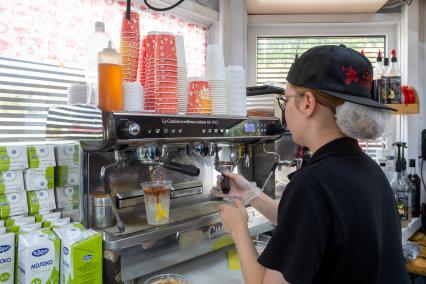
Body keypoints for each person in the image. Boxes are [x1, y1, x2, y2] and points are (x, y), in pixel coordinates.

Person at [214, 45, 409, 284]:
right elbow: (308, 226)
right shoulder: (368, 170)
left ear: (307, 102)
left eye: (286, 100)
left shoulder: (312, 184)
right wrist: (251, 194)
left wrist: (238, 228)